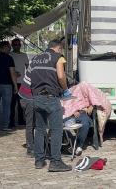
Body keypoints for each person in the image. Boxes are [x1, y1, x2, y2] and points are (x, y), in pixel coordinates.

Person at [30, 39, 72, 172]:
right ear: (59, 48)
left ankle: (39, 160)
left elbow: (29, 77)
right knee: (56, 130)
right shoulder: (58, 57)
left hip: (36, 97)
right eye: (61, 49)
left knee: (40, 129)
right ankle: (56, 162)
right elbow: (61, 76)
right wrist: (65, 89)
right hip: (51, 97)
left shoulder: (35, 58)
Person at [9, 38, 29, 127]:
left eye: (18, 45)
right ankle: (11, 121)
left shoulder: (24, 55)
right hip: (12, 82)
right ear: (12, 46)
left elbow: (28, 67)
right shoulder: (10, 55)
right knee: (12, 103)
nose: (17, 46)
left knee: (22, 103)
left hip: (22, 82)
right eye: (15, 45)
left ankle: (21, 120)